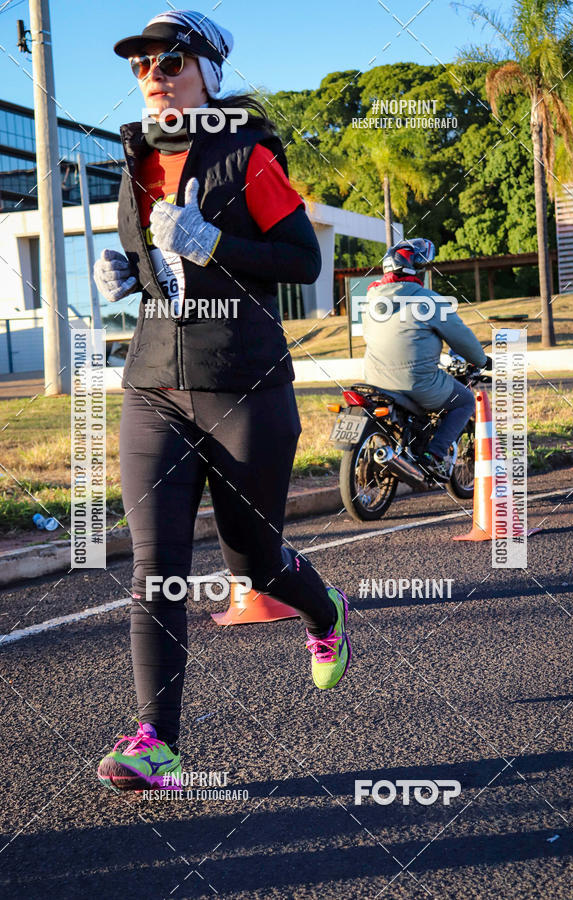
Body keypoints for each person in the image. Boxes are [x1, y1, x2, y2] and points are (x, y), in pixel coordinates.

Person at [94, 9, 351, 793]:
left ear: (207, 72)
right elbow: (159, 268)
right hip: (154, 387)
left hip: (245, 385)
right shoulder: (135, 161)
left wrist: (214, 243)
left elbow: (302, 261)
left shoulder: (247, 155)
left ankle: (324, 611)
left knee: (256, 564)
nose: (153, 75)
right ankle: (156, 744)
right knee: (157, 568)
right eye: (140, 65)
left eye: (170, 61)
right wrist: (129, 274)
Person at [362, 238, 492, 481]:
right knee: (464, 401)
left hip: (375, 380)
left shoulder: (371, 300)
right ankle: (434, 456)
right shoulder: (428, 301)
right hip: (417, 382)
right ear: (416, 271)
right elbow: (461, 337)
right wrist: (481, 360)